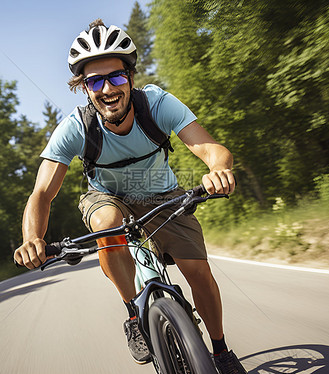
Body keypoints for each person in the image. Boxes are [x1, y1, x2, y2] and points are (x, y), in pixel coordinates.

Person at [13, 19, 246, 374]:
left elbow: (212, 148)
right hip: (106, 197)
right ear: (84, 88)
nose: (107, 88)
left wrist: (218, 170)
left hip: (161, 196)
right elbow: (42, 192)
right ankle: (133, 313)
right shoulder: (76, 127)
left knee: (197, 270)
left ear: (131, 78)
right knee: (108, 225)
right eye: (95, 81)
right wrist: (33, 238)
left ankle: (220, 351)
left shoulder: (156, 104)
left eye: (116, 77)